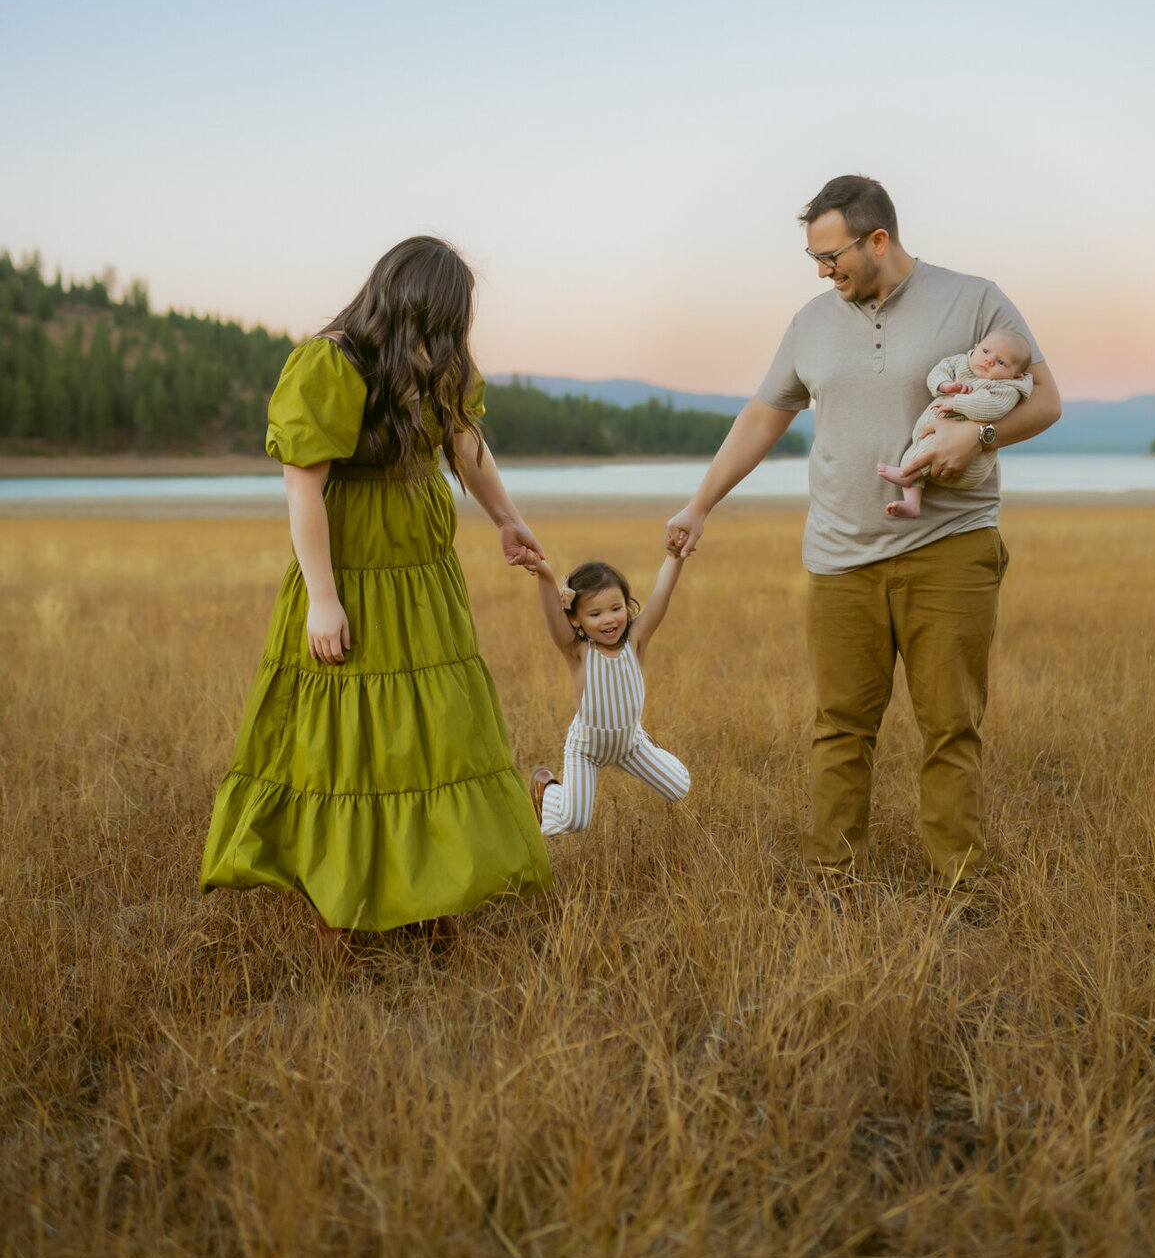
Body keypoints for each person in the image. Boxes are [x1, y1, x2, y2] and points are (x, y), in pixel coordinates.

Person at [665, 175, 1061, 888]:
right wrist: (700, 503)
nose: (823, 272)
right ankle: (831, 880)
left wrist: (982, 435)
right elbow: (763, 416)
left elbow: (1048, 400)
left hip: (949, 546)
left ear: (878, 239)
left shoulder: (976, 299)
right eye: (813, 259)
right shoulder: (811, 322)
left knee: (950, 726)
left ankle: (960, 887)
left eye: (832, 255)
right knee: (840, 726)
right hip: (840, 555)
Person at [200, 236, 553, 950]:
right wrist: (322, 600)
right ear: (405, 303)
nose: (448, 338)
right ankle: (349, 910)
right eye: (440, 322)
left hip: (423, 578)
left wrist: (508, 519)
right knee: (350, 742)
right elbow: (303, 489)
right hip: (352, 572)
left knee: (434, 734)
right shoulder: (332, 360)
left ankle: (432, 897)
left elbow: (464, 443)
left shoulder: (437, 360)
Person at [518, 551, 691, 836]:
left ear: (627, 604)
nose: (609, 620)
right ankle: (545, 790)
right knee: (575, 822)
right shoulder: (578, 652)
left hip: (631, 744)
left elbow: (663, 591)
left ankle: (648, 741)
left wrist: (675, 557)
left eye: (616, 608)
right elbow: (551, 613)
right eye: (595, 614)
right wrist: (544, 573)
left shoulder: (636, 641)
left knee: (679, 788)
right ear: (576, 620)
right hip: (587, 750)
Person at [877, 331, 1033, 519]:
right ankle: (912, 503)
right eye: (985, 351)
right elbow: (938, 371)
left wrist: (956, 402)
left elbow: (991, 408)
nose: (989, 361)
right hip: (933, 440)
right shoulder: (960, 363)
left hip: (971, 462)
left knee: (925, 452)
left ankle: (907, 475)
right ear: (975, 348)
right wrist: (944, 385)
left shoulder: (1006, 389)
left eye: (1001, 362)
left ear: (1016, 376)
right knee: (914, 453)